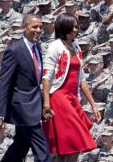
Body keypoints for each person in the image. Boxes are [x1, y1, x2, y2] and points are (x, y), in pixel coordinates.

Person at [42, 13, 101, 162]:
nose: (76, 29)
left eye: (77, 26)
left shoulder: (76, 46)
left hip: (73, 98)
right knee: (75, 141)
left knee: (66, 147)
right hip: (59, 97)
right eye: (73, 26)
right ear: (64, 26)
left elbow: (81, 79)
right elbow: (46, 76)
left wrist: (93, 105)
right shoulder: (54, 47)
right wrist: (47, 103)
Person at [0, 14, 50, 162]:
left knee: (20, 147)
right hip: (23, 108)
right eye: (34, 27)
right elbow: (3, 83)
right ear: (24, 28)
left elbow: (35, 81)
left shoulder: (37, 47)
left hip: (34, 106)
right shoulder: (14, 51)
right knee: (43, 153)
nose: (38, 30)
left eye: (40, 27)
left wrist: (44, 104)